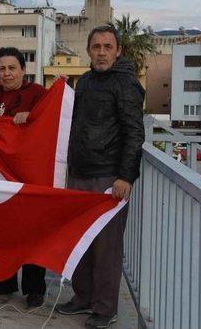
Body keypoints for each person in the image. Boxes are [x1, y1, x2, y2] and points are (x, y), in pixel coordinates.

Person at [55, 25, 144, 329]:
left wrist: (125, 177)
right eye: (97, 46)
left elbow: (135, 133)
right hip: (80, 174)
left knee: (107, 248)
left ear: (118, 51)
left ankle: (105, 309)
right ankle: (83, 297)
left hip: (108, 178)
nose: (102, 52)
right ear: (89, 50)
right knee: (81, 241)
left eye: (108, 46)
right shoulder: (86, 81)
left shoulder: (127, 83)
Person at [0, 47, 47, 308]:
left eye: (12, 68)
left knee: (31, 231)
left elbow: (52, 121)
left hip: (29, 174)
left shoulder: (37, 94)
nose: (7, 73)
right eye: (2, 68)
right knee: (1, 230)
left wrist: (34, 117)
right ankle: (3, 281)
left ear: (23, 70)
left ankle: (35, 288)